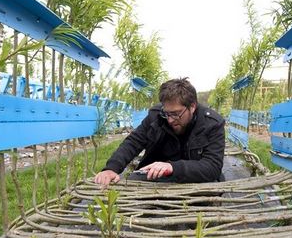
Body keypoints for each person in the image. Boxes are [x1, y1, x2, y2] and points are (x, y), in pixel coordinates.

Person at [94, 78, 225, 186]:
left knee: (214, 185)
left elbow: (212, 166)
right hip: (157, 177)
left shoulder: (212, 123)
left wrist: (172, 167)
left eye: (176, 114)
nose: (170, 120)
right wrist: (111, 168)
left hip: (195, 179)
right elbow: (133, 142)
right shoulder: (156, 116)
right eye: (167, 113)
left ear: (192, 106)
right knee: (133, 183)